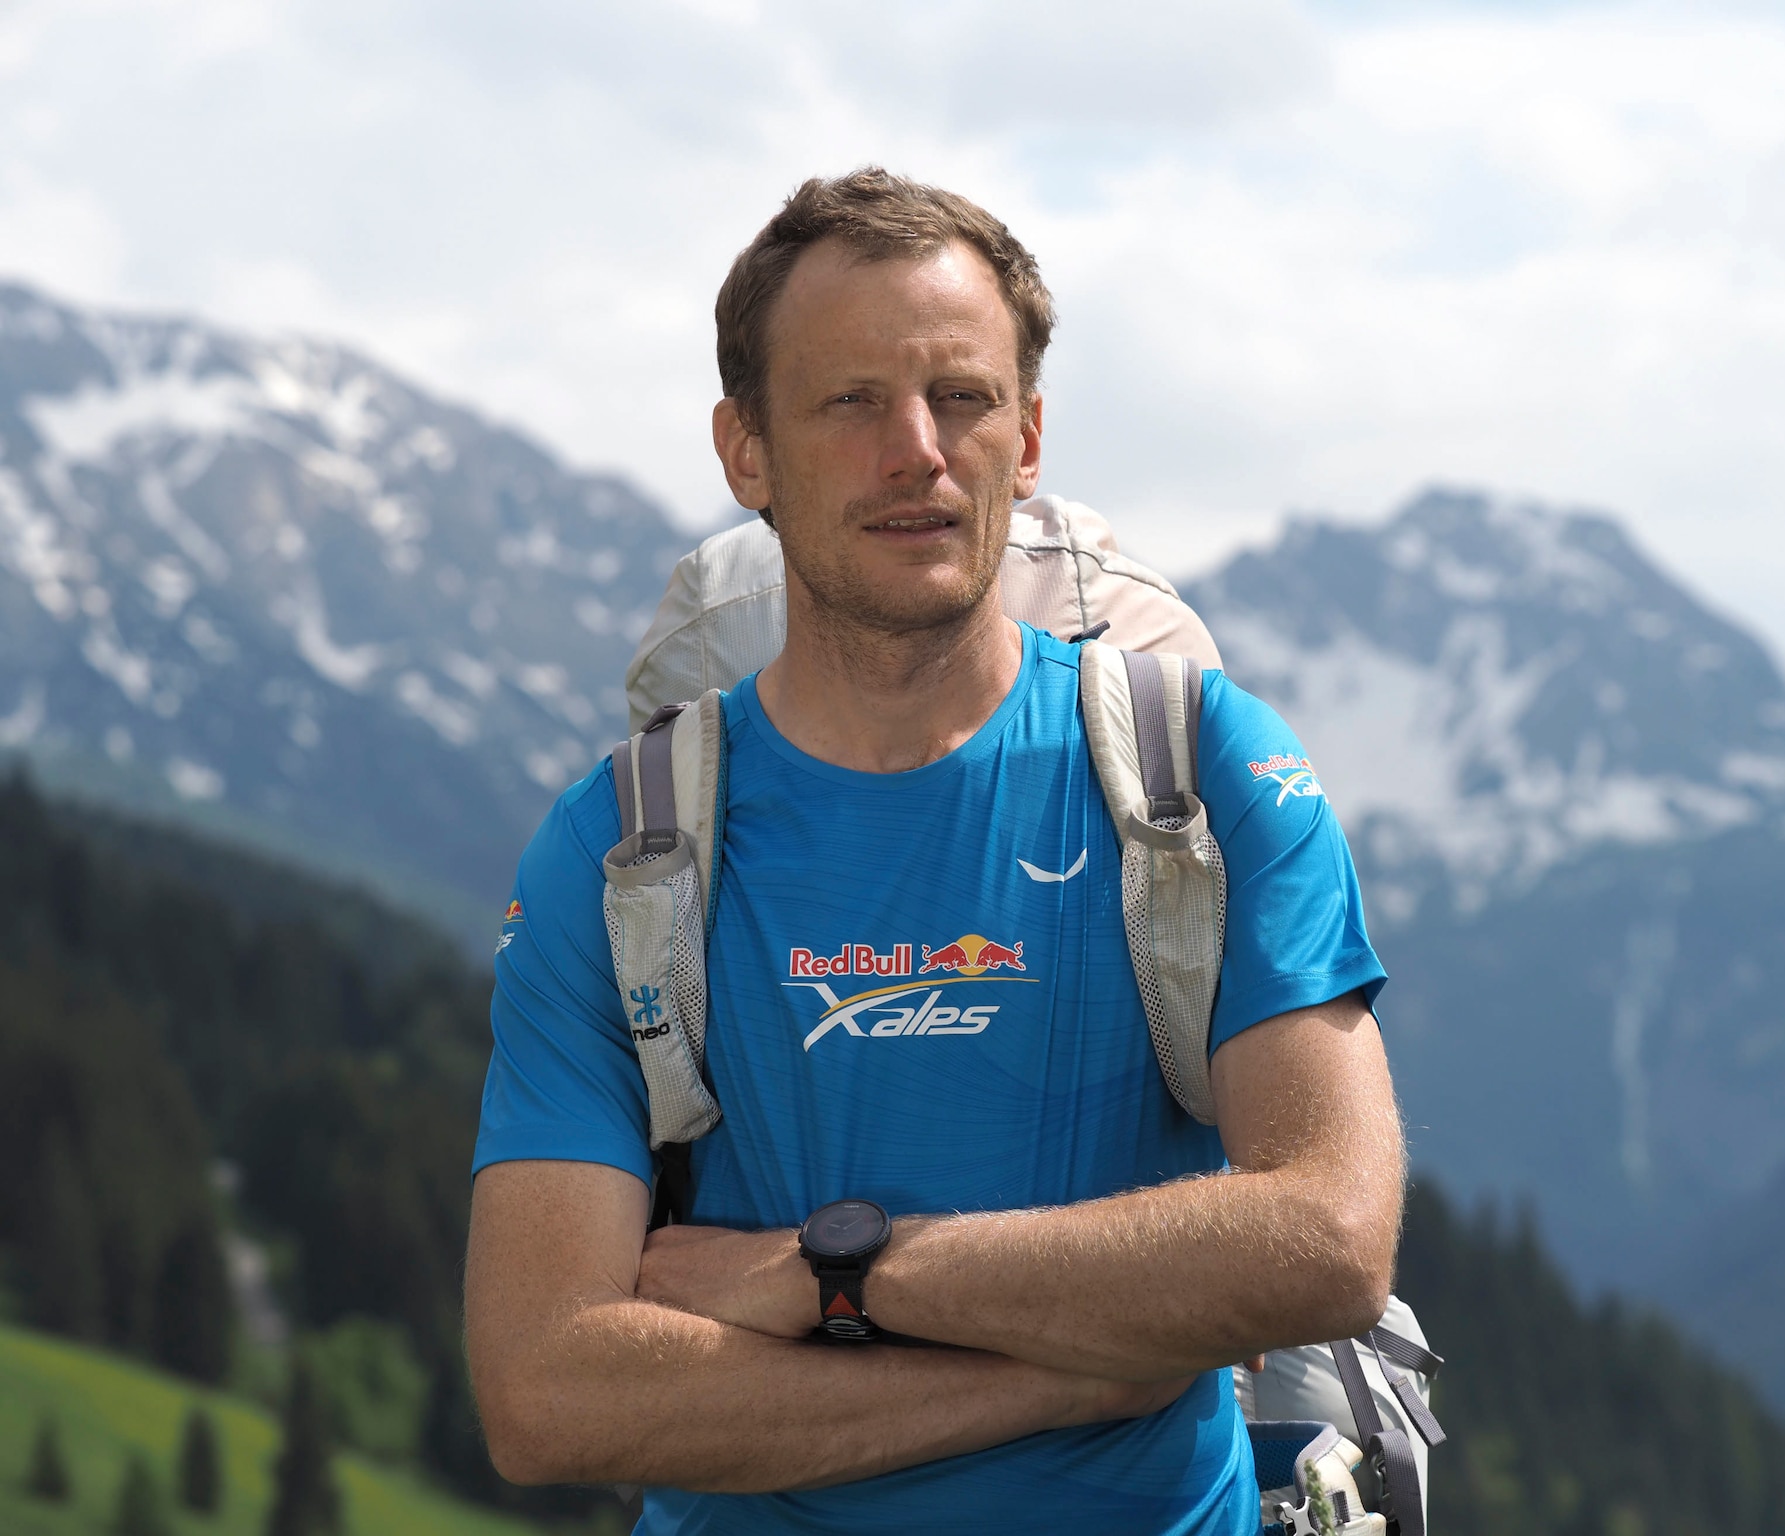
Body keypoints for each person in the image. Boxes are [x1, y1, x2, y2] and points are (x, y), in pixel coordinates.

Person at [465, 167, 1407, 1535]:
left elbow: (1327, 1238)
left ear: (1026, 440)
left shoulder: (1196, 773)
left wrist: (840, 1277)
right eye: (851, 402)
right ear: (747, 453)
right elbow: (547, 1394)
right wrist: (1077, 1374)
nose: (918, 450)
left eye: (962, 398)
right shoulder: (617, 852)